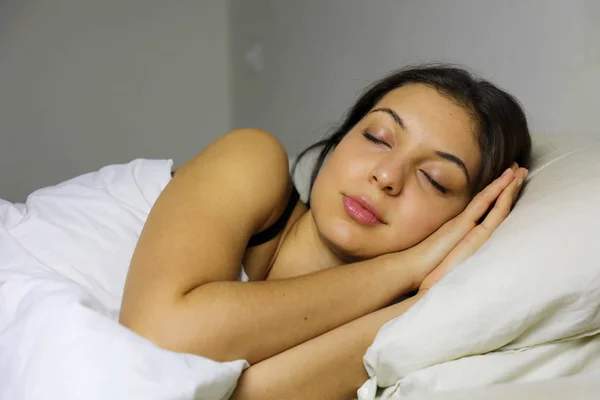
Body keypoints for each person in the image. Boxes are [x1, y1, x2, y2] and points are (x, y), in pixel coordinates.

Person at [119, 64, 531, 399]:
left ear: (463, 223)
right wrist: (404, 267)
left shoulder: (384, 338)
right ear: (339, 141)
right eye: (377, 137)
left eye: (434, 179)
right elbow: (158, 340)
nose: (386, 175)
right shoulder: (253, 160)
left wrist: (417, 305)